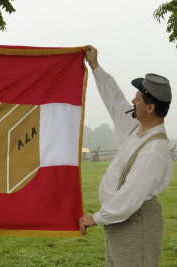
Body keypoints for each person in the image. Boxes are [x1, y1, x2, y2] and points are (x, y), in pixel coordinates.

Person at [80, 45, 173, 267]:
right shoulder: (135, 126)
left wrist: (96, 218)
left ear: (150, 108)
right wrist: (95, 66)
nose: (132, 101)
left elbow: (130, 197)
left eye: (138, 99)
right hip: (120, 219)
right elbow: (114, 99)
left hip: (135, 221)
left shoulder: (154, 150)